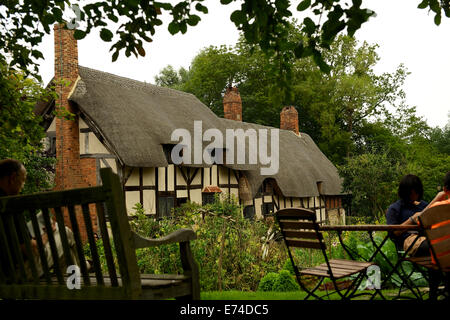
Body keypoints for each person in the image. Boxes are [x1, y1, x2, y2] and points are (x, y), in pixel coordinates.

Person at [0, 159, 87, 280]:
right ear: (13, 177)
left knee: (64, 255)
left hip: (3, 270)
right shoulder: (10, 207)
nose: (23, 185)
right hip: (17, 272)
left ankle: (74, 280)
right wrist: (48, 234)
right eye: (23, 180)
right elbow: (31, 250)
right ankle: (83, 266)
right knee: (64, 232)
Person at [386, 174, 429, 256]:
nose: (415, 195)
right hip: (409, 241)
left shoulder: (424, 205)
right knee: (432, 247)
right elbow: (393, 234)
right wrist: (412, 219)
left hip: (429, 237)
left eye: (417, 192)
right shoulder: (395, 208)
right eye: (412, 193)